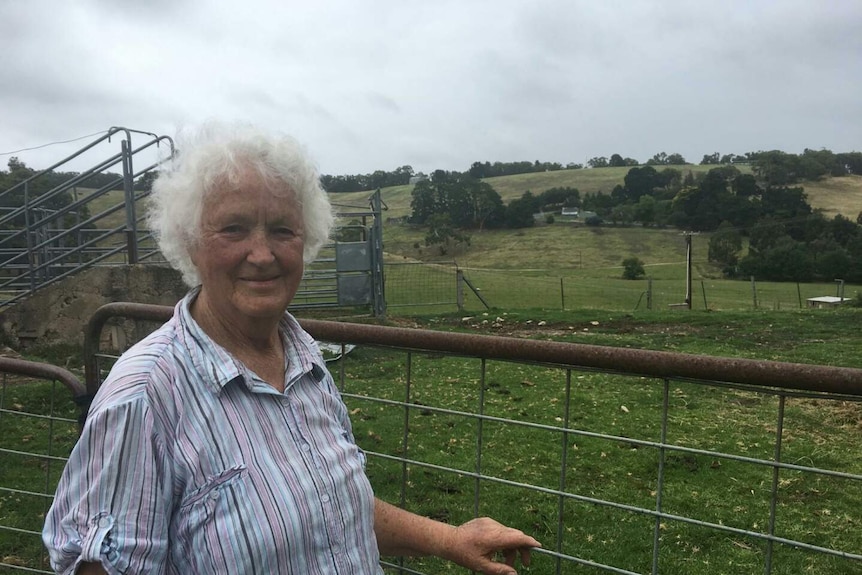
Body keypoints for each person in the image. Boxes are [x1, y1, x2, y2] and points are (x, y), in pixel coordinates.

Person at [42, 122, 540, 574]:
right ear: (190, 241)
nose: (262, 254)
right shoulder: (144, 397)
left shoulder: (303, 359)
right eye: (233, 228)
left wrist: (450, 539)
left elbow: (330, 508)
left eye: (282, 229)